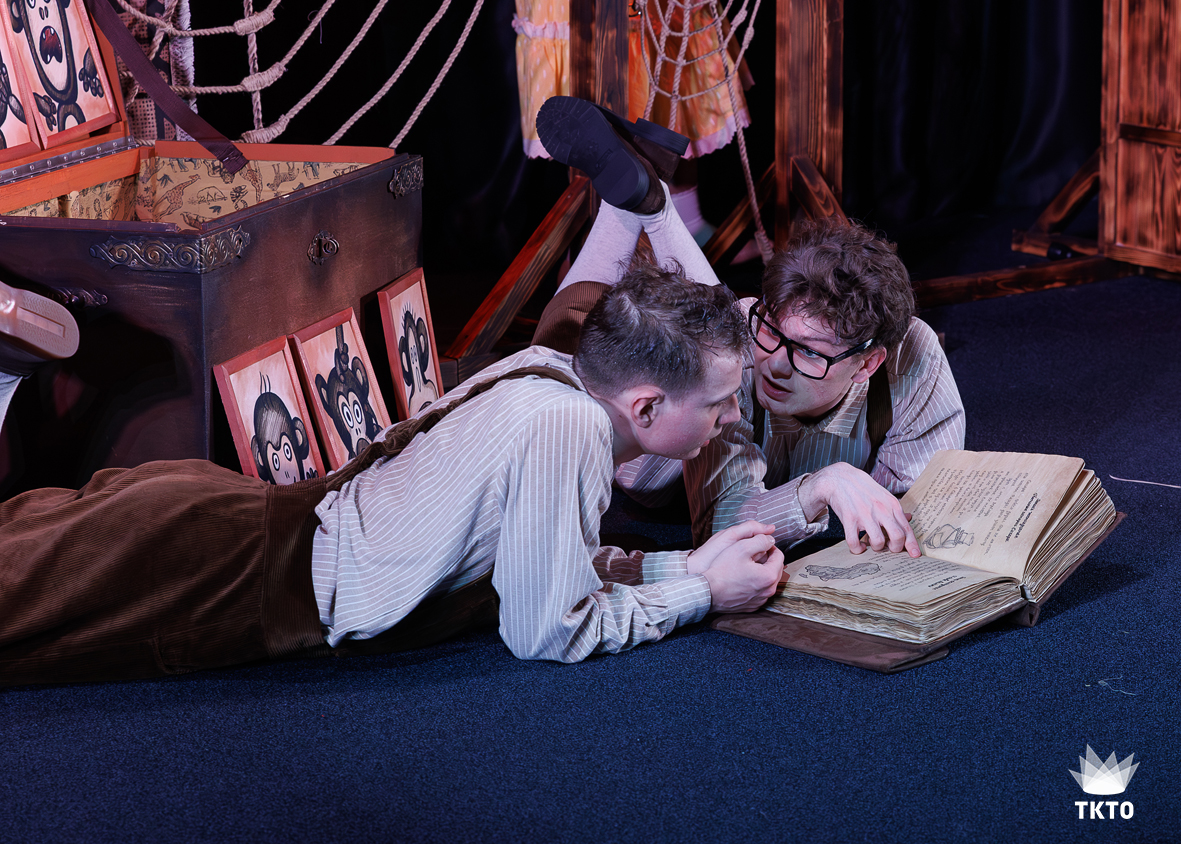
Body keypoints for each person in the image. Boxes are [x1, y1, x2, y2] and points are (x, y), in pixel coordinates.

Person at [0, 270, 784, 687]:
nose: (727, 419)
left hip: (225, 529)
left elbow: (539, 562)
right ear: (645, 405)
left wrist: (678, 565)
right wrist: (700, 593)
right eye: (718, 403)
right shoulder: (569, 426)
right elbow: (549, 630)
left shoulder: (552, 373)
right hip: (227, 570)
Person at [531, 96, 966, 560]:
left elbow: (922, 498)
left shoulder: (909, 354)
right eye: (773, 331)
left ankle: (646, 195)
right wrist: (822, 486)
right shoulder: (741, 345)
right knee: (565, 365)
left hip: (747, 464)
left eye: (809, 351)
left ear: (868, 363)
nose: (775, 364)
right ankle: (646, 208)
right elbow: (720, 524)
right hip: (657, 467)